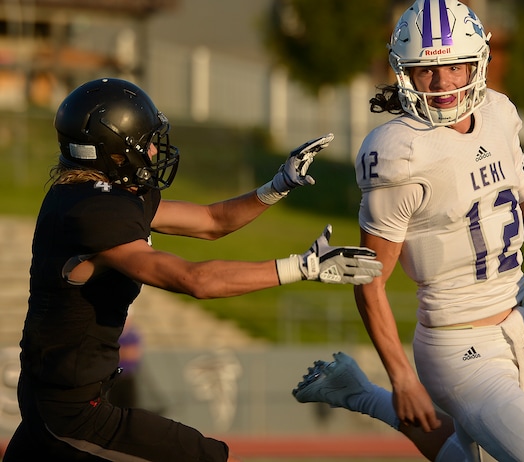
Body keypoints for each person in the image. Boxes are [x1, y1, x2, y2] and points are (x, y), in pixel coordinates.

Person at [293, 1, 524, 461]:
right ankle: (372, 393)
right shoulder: (400, 151)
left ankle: (359, 393)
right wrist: (402, 377)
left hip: (517, 327)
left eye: (455, 66)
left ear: (477, 62)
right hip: (457, 346)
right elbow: (371, 279)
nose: (443, 84)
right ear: (405, 72)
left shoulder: (498, 114)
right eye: (427, 71)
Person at [4, 77, 383, 462]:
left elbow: (212, 221)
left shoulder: (95, 193)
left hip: (58, 400)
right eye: (145, 141)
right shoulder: (92, 214)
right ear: (114, 152)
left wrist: (278, 185)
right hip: (70, 415)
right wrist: (302, 268)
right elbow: (194, 280)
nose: (153, 150)